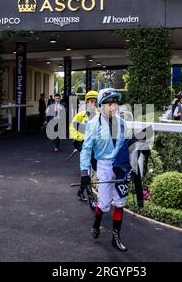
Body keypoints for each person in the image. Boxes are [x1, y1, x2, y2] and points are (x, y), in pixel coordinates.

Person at [80, 88, 131, 252]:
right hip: (103, 165)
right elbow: (86, 149)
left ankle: (116, 238)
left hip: (120, 165)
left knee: (120, 202)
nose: (113, 107)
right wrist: (84, 172)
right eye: (109, 104)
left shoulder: (122, 123)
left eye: (115, 103)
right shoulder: (93, 124)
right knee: (104, 204)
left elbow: (125, 145)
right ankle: (96, 222)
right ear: (102, 105)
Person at [69, 90, 99, 200]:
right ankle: (88, 195)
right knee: (85, 171)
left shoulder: (101, 116)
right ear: (86, 102)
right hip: (83, 146)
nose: (93, 103)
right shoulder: (80, 116)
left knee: (96, 170)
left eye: (95, 101)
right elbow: (72, 128)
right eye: (91, 101)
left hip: (96, 148)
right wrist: (80, 138)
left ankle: (81, 191)